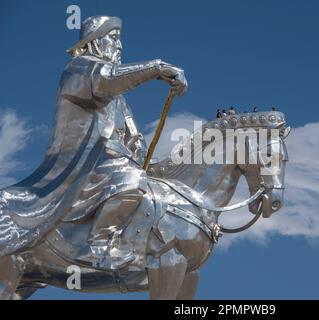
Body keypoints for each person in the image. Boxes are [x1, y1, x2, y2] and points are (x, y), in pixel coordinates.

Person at [0, 16, 188, 269]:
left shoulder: (118, 100)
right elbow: (104, 80)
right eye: (113, 39)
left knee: (153, 188)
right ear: (95, 42)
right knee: (131, 180)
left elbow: (133, 140)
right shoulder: (79, 68)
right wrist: (156, 68)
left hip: (114, 163)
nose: (119, 46)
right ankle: (99, 246)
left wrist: (153, 164)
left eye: (120, 40)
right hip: (84, 167)